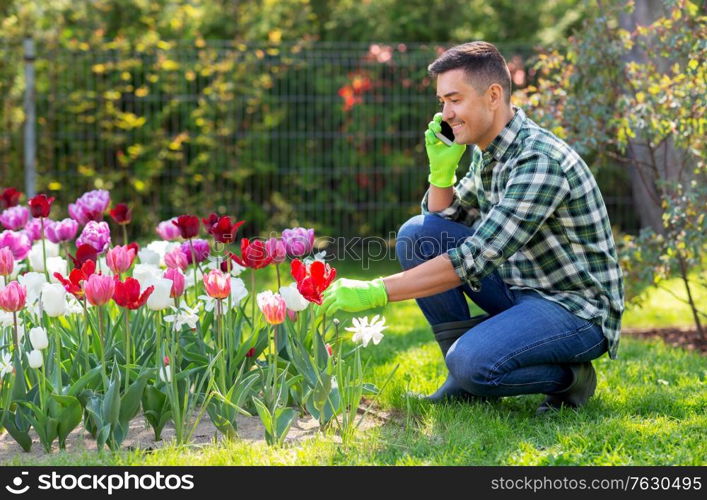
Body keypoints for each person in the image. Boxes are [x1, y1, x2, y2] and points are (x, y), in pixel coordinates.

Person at [321, 41, 624, 415]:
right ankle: (461, 379)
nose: (446, 113)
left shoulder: (538, 161)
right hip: (519, 288)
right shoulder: (490, 152)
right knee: (418, 234)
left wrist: (376, 290)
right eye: (442, 102)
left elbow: (474, 259)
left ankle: (569, 379)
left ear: (493, 95)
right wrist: (441, 172)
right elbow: (440, 225)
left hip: (575, 309)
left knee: (473, 363)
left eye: (455, 100)